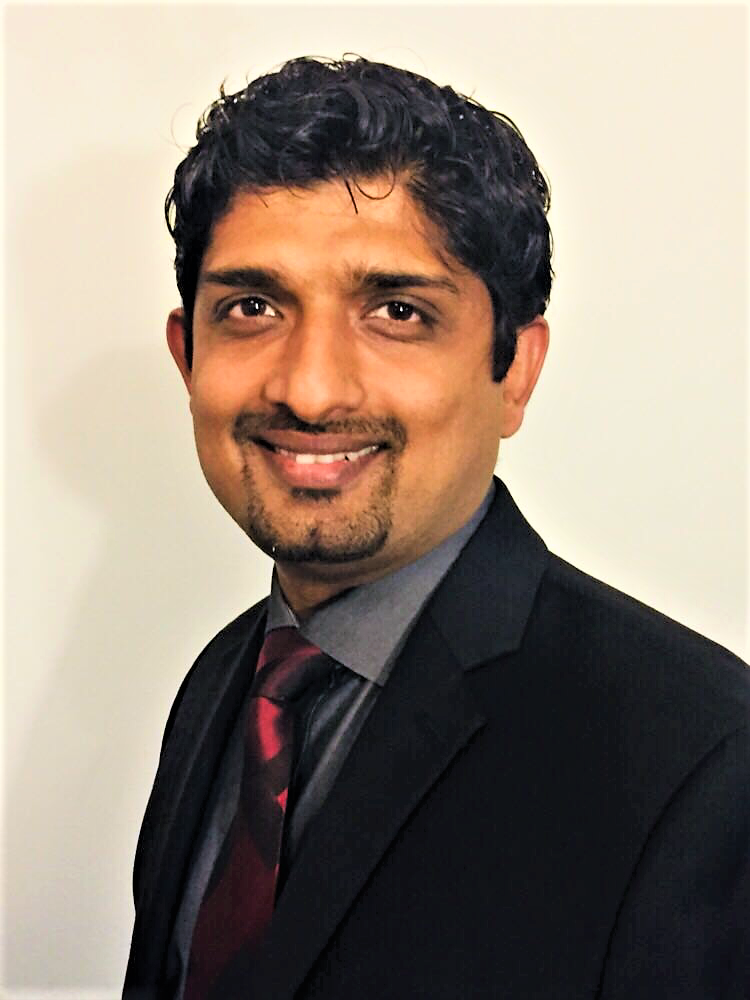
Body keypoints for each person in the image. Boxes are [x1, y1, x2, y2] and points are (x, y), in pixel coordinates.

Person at [124, 56, 750, 999]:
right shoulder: (224, 686)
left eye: (397, 312)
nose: (310, 386)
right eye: (253, 308)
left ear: (515, 371)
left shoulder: (701, 765)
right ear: (188, 354)